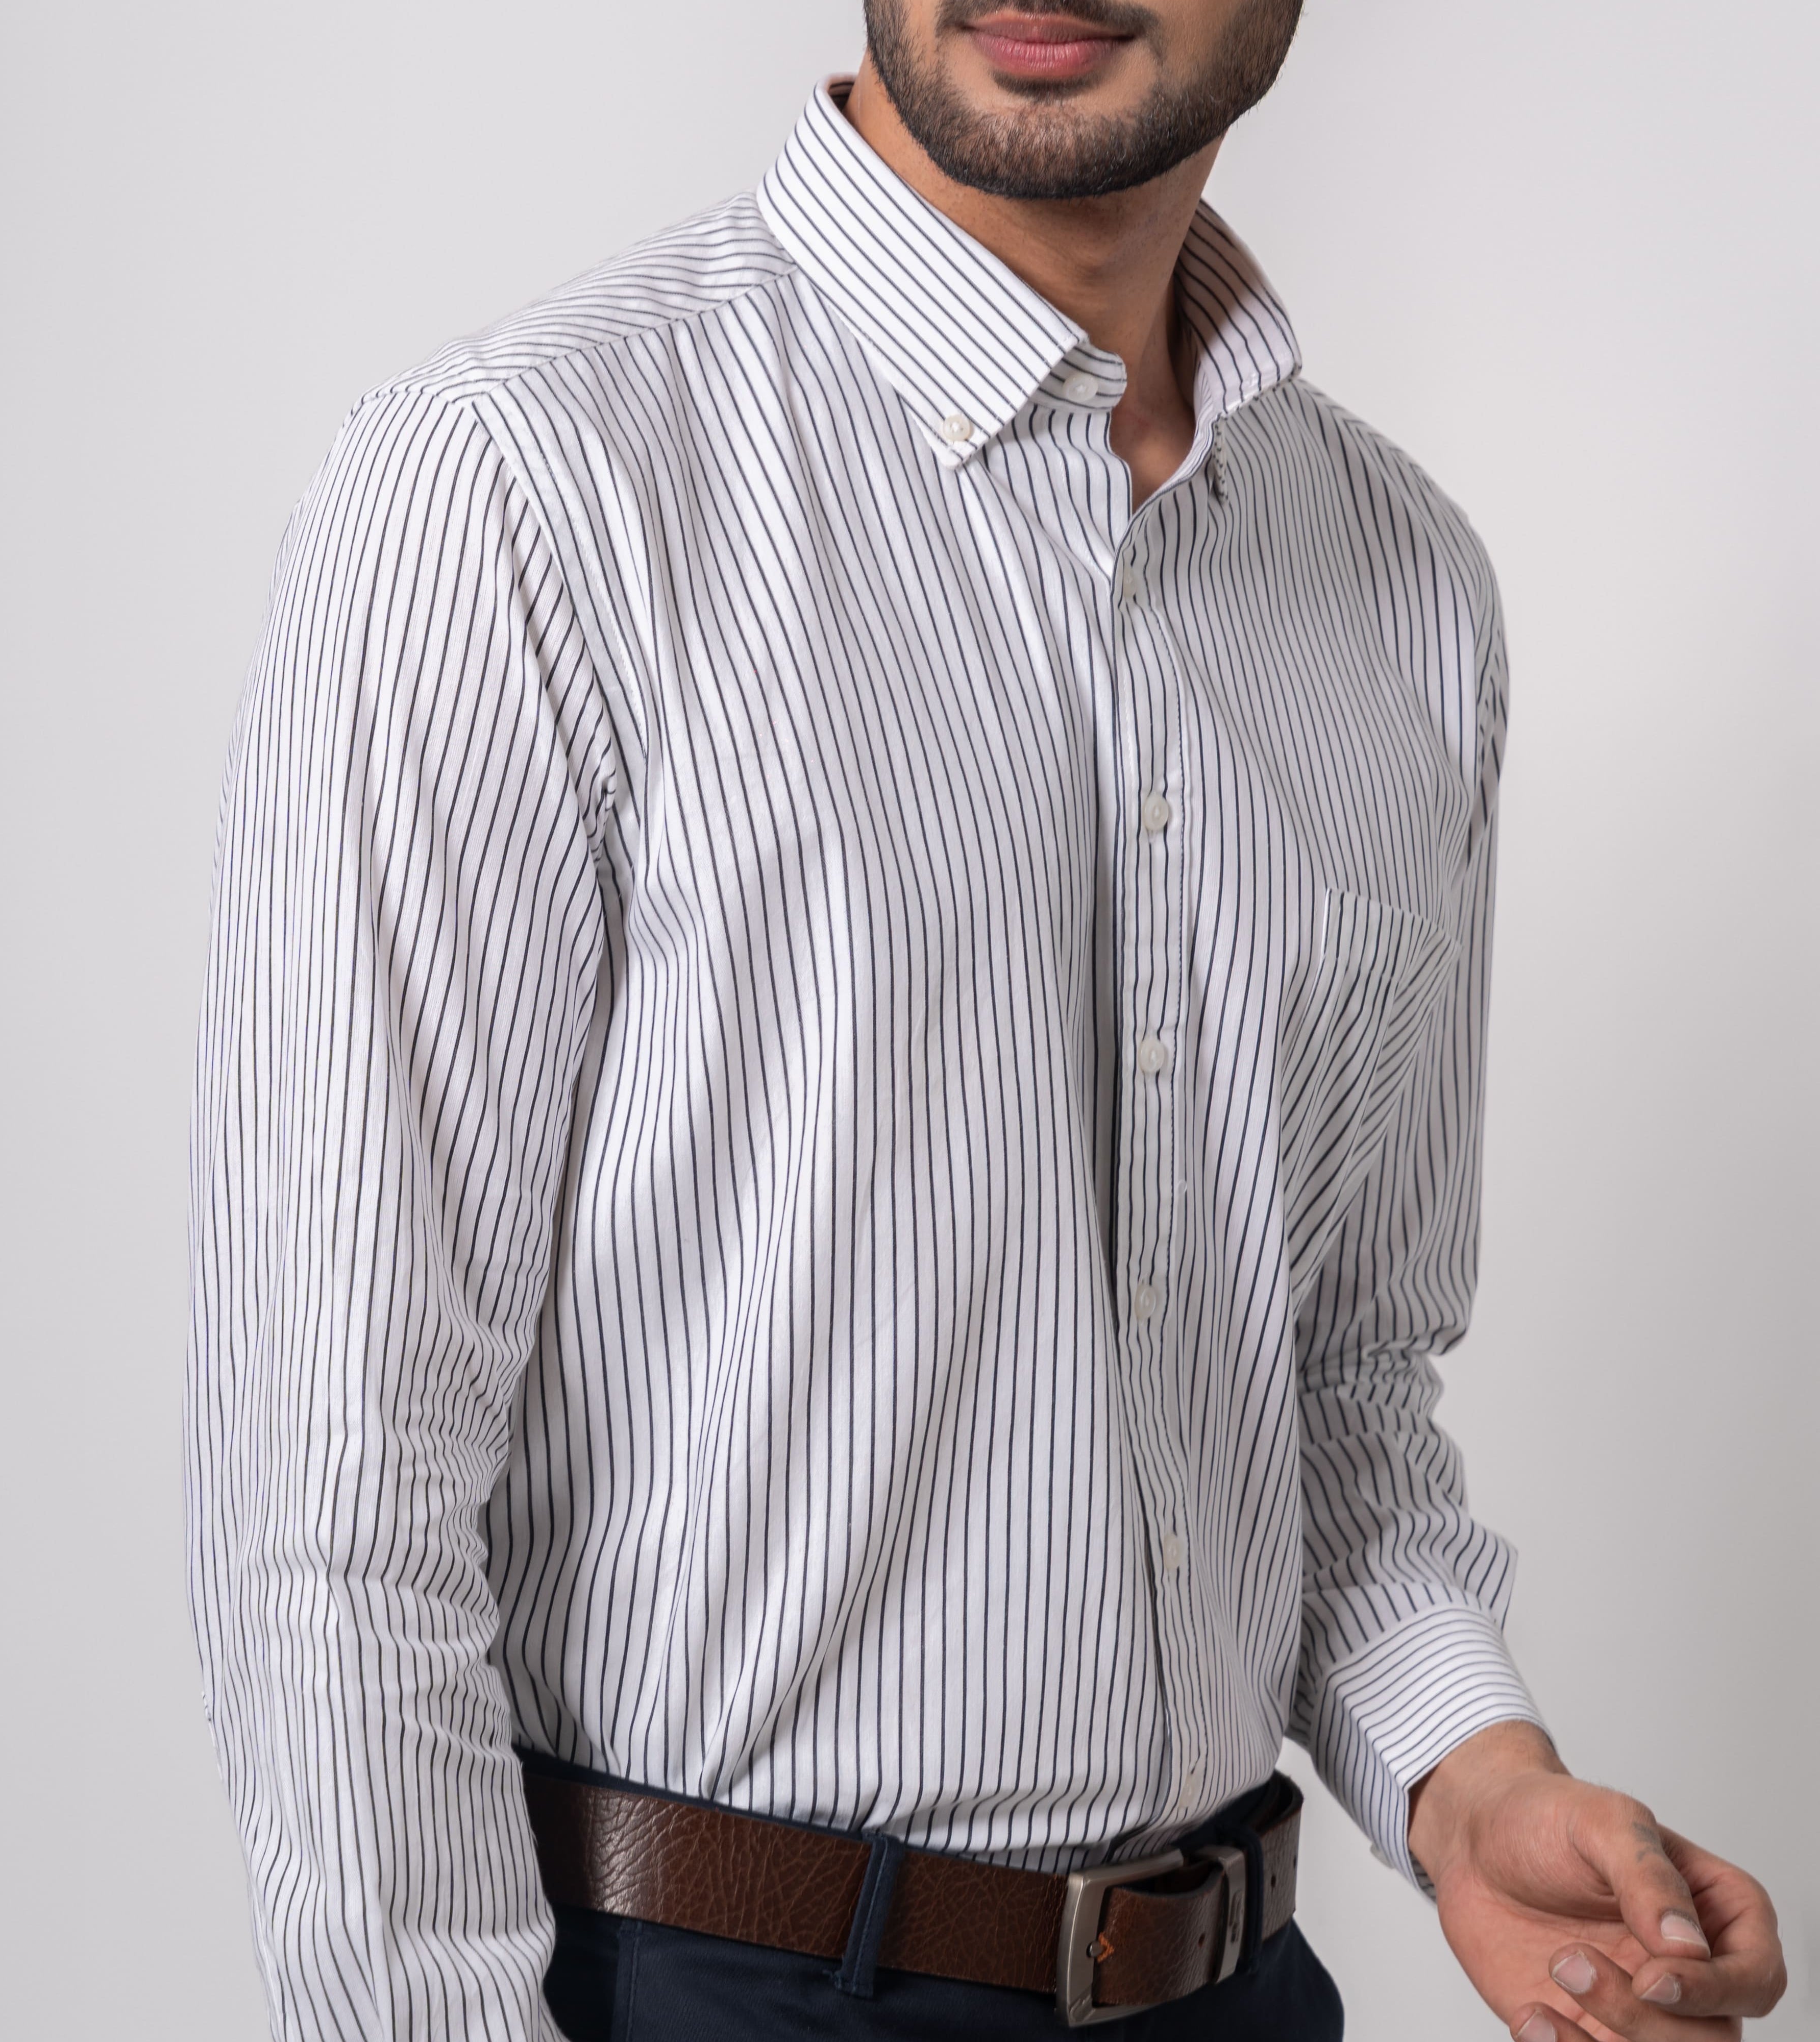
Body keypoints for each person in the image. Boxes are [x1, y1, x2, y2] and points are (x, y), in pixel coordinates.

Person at [184, 3, 1789, 2037]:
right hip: (703, 1989)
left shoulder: (1403, 586)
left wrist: (1468, 1778)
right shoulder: (525, 486)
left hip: (1233, 1985)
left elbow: (1330, 1372)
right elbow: (337, 1485)